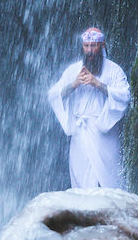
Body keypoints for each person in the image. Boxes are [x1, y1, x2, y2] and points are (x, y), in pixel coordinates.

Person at [46, 27, 132, 189]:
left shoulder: (114, 70)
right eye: (86, 46)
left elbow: (124, 96)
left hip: (104, 132)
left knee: (109, 179)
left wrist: (97, 84)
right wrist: (75, 84)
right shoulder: (73, 71)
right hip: (80, 133)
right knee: (81, 179)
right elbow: (54, 95)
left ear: (102, 45)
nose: (90, 51)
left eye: (94, 45)